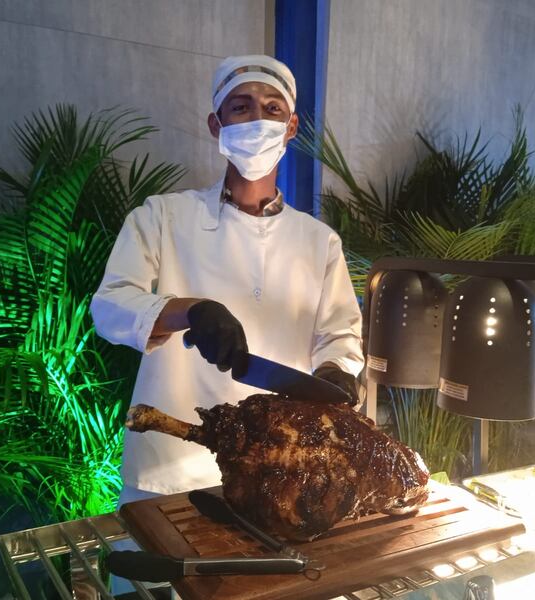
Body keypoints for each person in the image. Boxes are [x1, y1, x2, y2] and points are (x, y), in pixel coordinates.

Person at [91, 54, 365, 505]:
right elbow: (109, 306)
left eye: (272, 108)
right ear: (216, 125)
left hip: (277, 472)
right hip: (169, 466)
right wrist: (190, 311)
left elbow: (339, 333)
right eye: (241, 107)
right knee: (153, 575)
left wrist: (337, 369)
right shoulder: (163, 216)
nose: (258, 118)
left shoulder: (319, 242)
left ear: (291, 127)